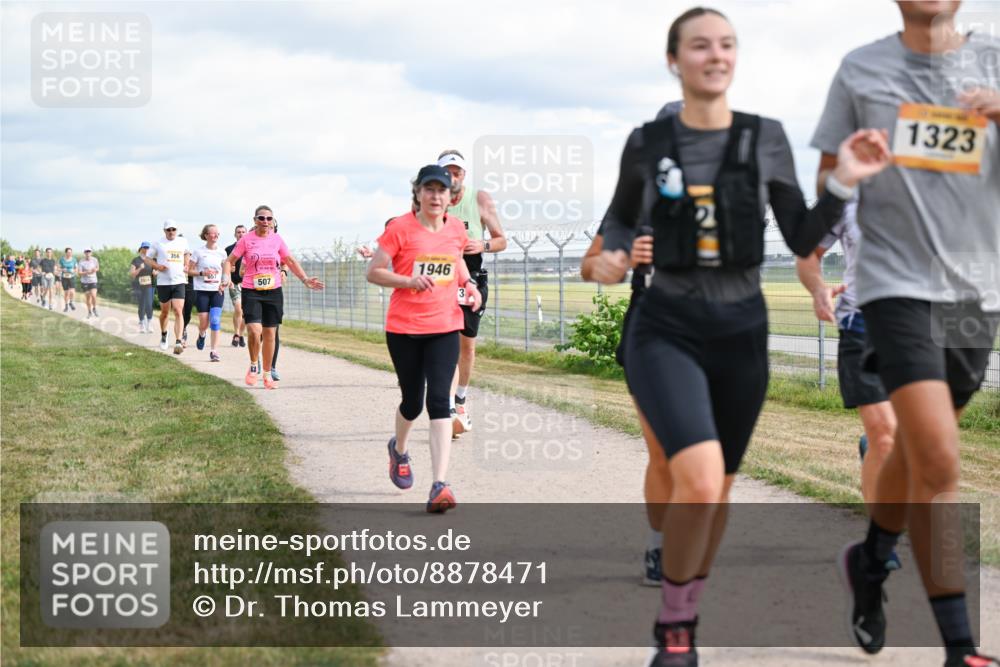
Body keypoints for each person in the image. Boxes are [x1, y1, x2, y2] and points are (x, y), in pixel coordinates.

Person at [590, 8, 891, 665]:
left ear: (736, 58)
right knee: (694, 479)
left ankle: (683, 608)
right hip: (664, 325)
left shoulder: (767, 138)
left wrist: (843, 183)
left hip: (740, 333)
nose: (715, 54)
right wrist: (611, 260)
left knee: (717, 487)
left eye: (727, 44)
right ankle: (674, 632)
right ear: (676, 59)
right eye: (700, 44)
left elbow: (805, 235)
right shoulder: (647, 142)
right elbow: (612, 232)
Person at [812, 2, 1000, 665]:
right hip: (891, 288)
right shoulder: (861, 70)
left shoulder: (996, 61)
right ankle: (959, 644)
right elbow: (823, 194)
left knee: (916, 449)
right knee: (940, 456)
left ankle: (869, 561)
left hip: (977, 290)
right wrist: (848, 175)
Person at [367, 165, 482, 513]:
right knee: (412, 402)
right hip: (404, 329)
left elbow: (457, 259)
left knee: (439, 402)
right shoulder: (401, 229)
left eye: (441, 190)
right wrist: (408, 282)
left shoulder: (457, 229)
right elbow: (373, 271)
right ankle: (399, 450)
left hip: (445, 326)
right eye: (429, 189)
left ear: (452, 197)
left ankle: (439, 484)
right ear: (417, 193)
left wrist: (469, 284)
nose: (435, 196)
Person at [796, 199, 902, 566]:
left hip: (922, 330)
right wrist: (817, 288)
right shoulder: (845, 198)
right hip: (862, 324)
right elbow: (808, 254)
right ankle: (879, 545)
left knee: (914, 442)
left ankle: (871, 447)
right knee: (885, 434)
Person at [434, 150, 507, 437]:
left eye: (458, 171)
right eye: (447, 171)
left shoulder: (480, 199)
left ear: (465, 174)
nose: (453, 176)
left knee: (467, 345)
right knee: (446, 342)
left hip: (472, 278)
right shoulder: (431, 198)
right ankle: (447, 406)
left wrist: (483, 245)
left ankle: (460, 400)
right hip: (441, 276)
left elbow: (502, 240)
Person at [222, 205, 323, 388]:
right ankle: (254, 365)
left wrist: (305, 279)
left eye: (269, 219)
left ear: (273, 221)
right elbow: (229, 261)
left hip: (273, 291)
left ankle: (267, 374)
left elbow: (289, 261)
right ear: (255, 220)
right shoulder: (246, 240)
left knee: (270, 334)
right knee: (254, 331)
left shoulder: (277, 239)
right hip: (251, 290)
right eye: (261, 218)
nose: (265, 222)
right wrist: (226, 277)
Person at [146, 220, 191, 354]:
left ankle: (178, 341)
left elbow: (187, 253)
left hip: (179, 281)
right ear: (164, 231)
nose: (171, 232)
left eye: (173, 229)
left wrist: (187, 264)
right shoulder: (158, 243)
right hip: (164, 282)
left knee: (178, 310)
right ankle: (164, 335)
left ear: (176, 230)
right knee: (165, 312)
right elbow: (147, 259)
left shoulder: (182, 242)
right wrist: (158, 267)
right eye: (168, 230)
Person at [189, 225, 228, 361]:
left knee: (215, 320)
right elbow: (188, 270)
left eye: (217, 233)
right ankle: (202, 334)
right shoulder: (198, 252)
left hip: (217, 291)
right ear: (206, 235)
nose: (216, 235)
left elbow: (226, 270)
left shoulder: (222, 253)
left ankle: (214, 351)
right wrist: (201, 272)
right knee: (204, 323)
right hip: (202, 291)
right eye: (213, 233)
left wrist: (225, 281)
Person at [225, 224, 248, 348]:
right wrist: (229, 277)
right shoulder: (229, 249)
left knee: (245, 312)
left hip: (248, 284)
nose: (241, 234)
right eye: (238, 232)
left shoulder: (250, 247)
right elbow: (225, 266)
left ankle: (241, 334)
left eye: (243, 232)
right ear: (235, 234)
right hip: (235, 284)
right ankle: (236, 333)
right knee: (238, 308)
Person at [130, 242, 156, 332]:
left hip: (150, 285)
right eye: (145, 247)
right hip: (139, 285)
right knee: (142, 304)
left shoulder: (152, 260)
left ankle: (149, 323)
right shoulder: (135, 260)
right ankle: (141, 323)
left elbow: (157, 271)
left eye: (148, 248)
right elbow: (132, 275)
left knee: (149, 304)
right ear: (140, 248)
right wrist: (140, 268)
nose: (146, 249)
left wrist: (156, 273)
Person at [78, 248, 99, 317]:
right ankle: (89, 311)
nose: (88, 253)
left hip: (93, 280)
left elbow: (97, 268)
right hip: (85, 282)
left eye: (89, 252)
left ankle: (94, 308)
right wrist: (87, 272)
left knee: (94, 295)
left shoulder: (95, 260)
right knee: (88, 298)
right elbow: (80, 273)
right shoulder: (81, 261)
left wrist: (94, 270)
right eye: (86, 252)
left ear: (91, 253)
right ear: (84, 253)